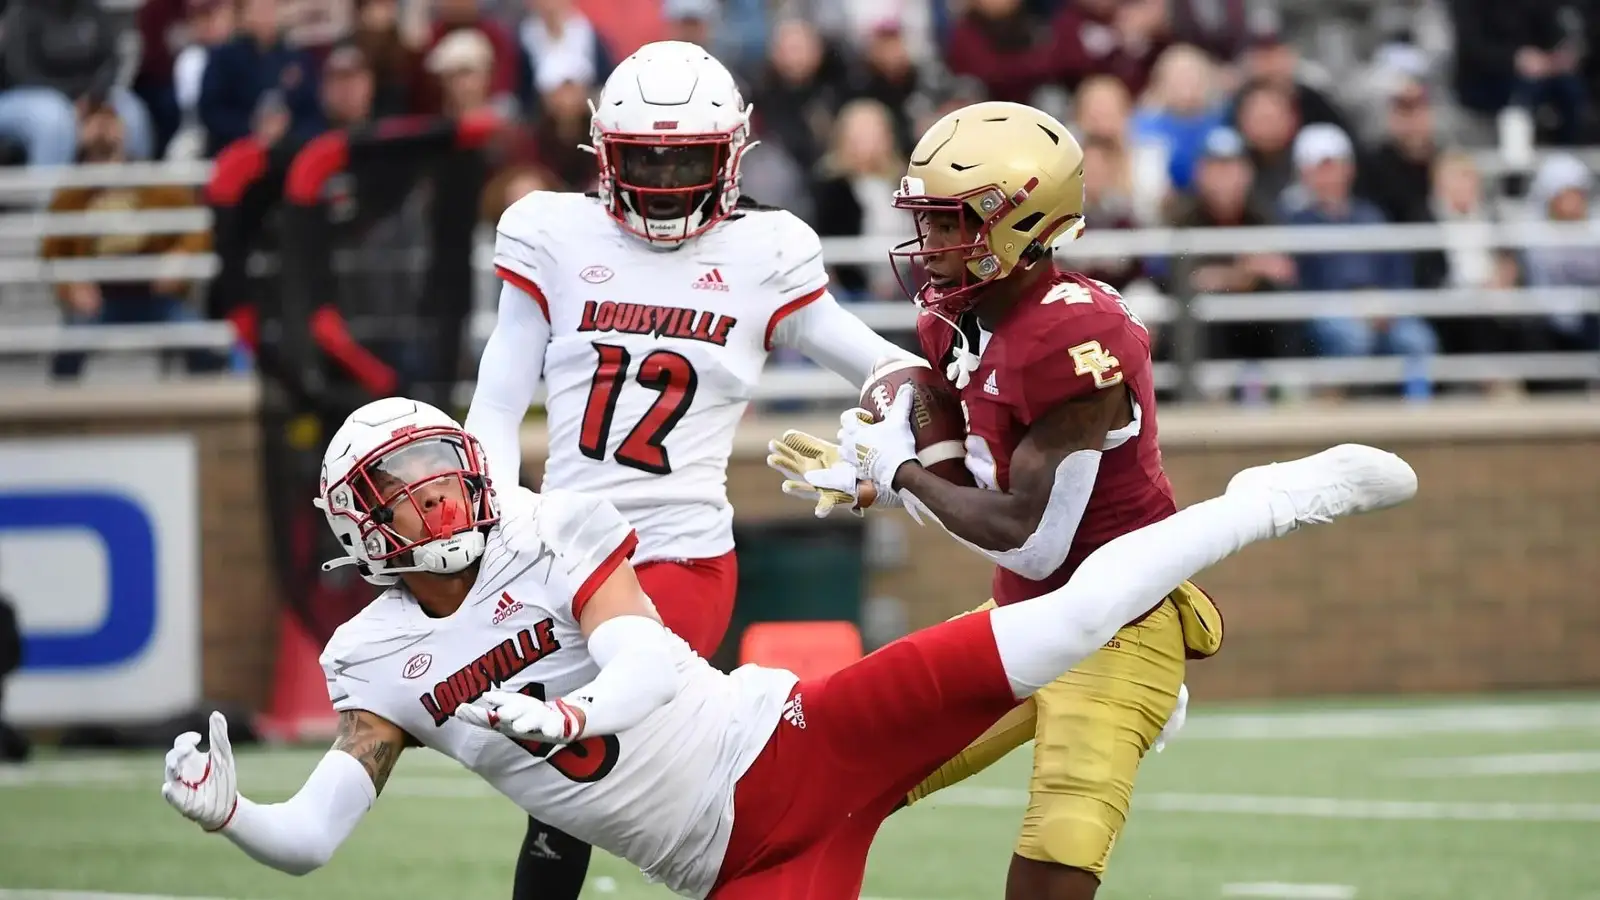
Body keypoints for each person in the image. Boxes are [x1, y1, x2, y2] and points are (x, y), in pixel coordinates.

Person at [160, 396, 1417, 899]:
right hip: (735, 870)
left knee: (1069, 618)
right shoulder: (372, 661)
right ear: (359, 528)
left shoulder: (548, 527)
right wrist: (234, 816)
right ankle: (1071, 694)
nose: (444, 502)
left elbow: (641, 659)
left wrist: (572, 715)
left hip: (790, 741)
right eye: (410, 493)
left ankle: (1266, 502)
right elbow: (314, 838)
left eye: (448, 473)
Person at [461, 39, 917, 900]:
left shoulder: (764, 250)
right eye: (647, 159)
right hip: (560, 552)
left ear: (732, 155)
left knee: (582, 763)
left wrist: (890, 446)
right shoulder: (551, 231)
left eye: (687, 160)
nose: (667, 181)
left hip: (679, 555)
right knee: (558, 778)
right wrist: (494, 522)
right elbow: (496, 402)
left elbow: (884, 368)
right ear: (605, 153)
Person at [770, 99, 1218, 900]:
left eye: (952, 222)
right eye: (928, 221)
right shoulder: (957, 319)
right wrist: (879, 482)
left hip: (1116, 623)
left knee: (1054, 858)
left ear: (1023, 221)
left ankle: (1144, 693)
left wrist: (903, 477)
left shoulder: (1076, 339)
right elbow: (979, 485)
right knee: (836, 777)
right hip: (1023, 614)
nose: (931, 243)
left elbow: (1033, 540)